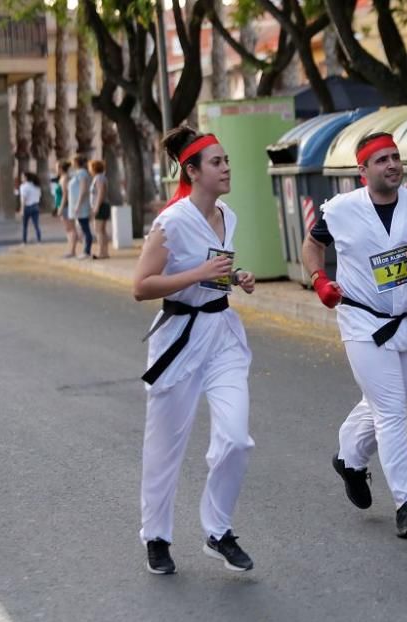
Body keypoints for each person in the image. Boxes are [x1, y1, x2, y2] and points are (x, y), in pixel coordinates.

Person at [300, 132, 407, 539]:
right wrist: (319, 280)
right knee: (391, 411)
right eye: (381, 159)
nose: (392, 165)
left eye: (395, 157)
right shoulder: (340, 210)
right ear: (363, 170)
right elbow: (312, 247)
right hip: (361, 321)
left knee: (386, 403)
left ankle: (350, 458)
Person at [133, 125, 258, 575]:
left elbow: (214, 271)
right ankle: (157, 538)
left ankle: (218, 530)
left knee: (237, 438)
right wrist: (198, 273)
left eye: (226, 160)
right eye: (217, 162)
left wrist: (235, 277)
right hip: (180, 339)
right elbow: (141, 287)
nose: (226, 168)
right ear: (192, 170)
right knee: (165, 448)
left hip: (223, 335)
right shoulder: (171, 221)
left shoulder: (229, 214)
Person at [67, 154, 93, 259]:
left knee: (85, 228)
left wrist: (78, 204)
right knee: (82, 228)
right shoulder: (78, 173)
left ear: (77, 162)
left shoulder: (82, 173)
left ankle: (87, 251)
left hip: (81, 206)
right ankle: (85, 250)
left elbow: (83, 189)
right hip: (77, 205)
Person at [89, 159, 112, 260]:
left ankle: (101, 252)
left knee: (98, 230)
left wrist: (96, 207)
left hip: (101, 206)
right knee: (102, 230)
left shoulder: (99, 178)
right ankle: (104, 251)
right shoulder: (102, 177)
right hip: (103, 205)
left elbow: (100, 193)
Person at [56, 160, 76, 258]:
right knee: (68, 229)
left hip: (65, 206)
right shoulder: (63, 178)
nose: (56, 169)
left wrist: (61, 208)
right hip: (63, 206)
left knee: (70, 229)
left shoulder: (64, 179)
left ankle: (72, 251)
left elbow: (65, 194)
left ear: (60, 168)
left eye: (56, 167)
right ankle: (71, 249)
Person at [18, 172, 42, 244]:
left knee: (25, 226)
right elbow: (39, 196)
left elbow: (23, 199)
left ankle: (24, 241)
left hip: (27, 207)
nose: (21, 178)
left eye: (22, 177)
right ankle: (39, 240)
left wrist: (21, 209)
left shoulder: (23, 186)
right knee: (36, 225)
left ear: (26, 177)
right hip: (35, 206)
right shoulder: (36, 186)